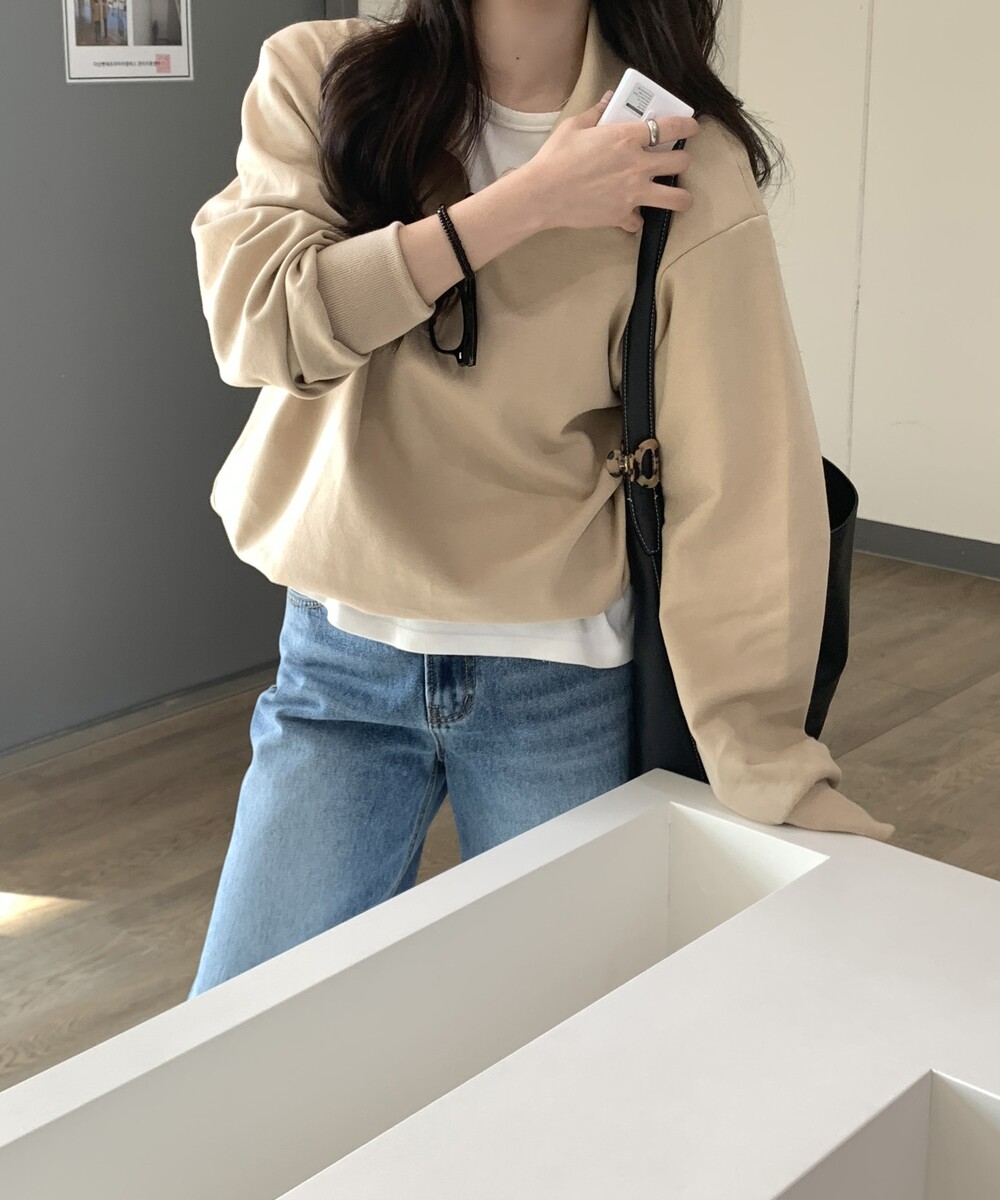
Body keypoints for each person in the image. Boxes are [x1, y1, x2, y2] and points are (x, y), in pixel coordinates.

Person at [186, 0, 893, 998]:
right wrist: (528, 202)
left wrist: (767, 752)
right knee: (237, 1033)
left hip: (556, 682)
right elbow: (260, 325)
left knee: (569, 1047)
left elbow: (741, 476)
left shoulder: (683, 153)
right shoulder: (324, 76)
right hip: (343, 662)